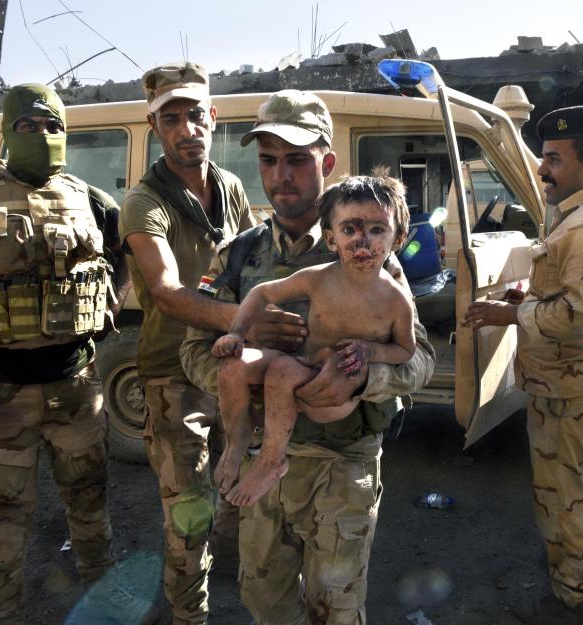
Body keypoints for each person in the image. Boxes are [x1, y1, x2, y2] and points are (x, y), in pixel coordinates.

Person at [179, 90, 435, 625]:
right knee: (264, 600)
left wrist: (363, 375)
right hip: (261, 462)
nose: (281, 176)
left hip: (342, 461)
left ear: (327, 161)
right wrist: (242, 343)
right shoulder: (239, 254)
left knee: (335, 607)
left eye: (296, 158)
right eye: (268, 161)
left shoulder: (364, 248)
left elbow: (421, 360)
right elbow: (193, 352)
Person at [0, 84, 151, 625]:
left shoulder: (92, 200)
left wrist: (113, 294)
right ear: (10, 133)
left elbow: (125, 251)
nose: (42, 136)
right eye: (28, 126)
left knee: (90, 510)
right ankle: (2, 615)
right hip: (0, 396)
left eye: (52, 126)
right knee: (3, 523)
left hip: (75, 389)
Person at [462, 106, 583, 625]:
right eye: (544, 158)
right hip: (577, 383)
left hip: (573, 390)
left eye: (555, 159)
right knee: (580, 488)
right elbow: (571, 293)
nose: (543, 170)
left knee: (565, 497)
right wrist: (532, 292)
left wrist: (511, 312)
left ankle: (575, 601)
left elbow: (580, 315)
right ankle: (581, 562)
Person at [119, 61, 258, 625]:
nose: (186, 129)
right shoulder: (143, 201)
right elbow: (167, 291)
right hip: (174, 373)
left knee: (241, 483)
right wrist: (245, 318)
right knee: (188, 507)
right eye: (171, 119)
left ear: (213, 118)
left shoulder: (230, 187)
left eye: (195, 115)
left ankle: (235, 578)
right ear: (155, 127)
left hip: (230, 363)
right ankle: (188, 615)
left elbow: (253, 263)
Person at [212, 173, 416, 508]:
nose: (363, 240)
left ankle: (272, 460)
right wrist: (236, 332)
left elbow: (406, 350)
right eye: (349, 229)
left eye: (377, 229)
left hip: (336, 391)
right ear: (331, 238)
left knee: (281, 371)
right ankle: (236, 444)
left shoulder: (396, 300)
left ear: (399, 238)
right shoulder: (320, 279)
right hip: (303, 366)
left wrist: (369, 351)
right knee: (233, 369)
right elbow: (262, 293)